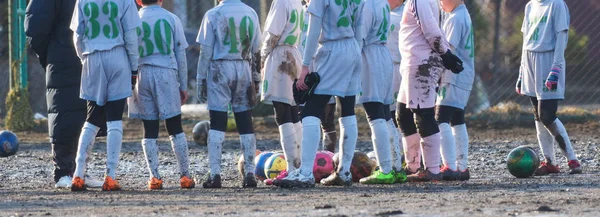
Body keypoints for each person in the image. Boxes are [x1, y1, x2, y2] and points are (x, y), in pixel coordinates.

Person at [274, 0, 363, 188]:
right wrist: (356, 51)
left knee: (311, 110)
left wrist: (305, 66)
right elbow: (360, 24)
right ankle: (344, 171)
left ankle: (305, 173)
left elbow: (314, 31)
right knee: (346, 109)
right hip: (354, 47)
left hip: (333, 49)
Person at [24, 0, 103, 189]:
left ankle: (79, 170)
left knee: (83, 112)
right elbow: (36, 26)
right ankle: (62, 171)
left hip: (87, 54)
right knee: (64, 111)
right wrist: (50, 54)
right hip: (64, 55)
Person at [69, 0, 141, 191]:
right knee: (114, 119)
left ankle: (78, 174)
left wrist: (84, 58)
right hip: (117, 56)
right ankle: (110, 176)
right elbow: (131, 36)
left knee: (91, 118)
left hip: (92, 56)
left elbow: (77, 35)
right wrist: (134, 68)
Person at [129, 0, 194, 190]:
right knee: (174, 125)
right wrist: (182, 85)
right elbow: (181, 55)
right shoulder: (171, 18)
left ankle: (154, 177)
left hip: (142, 73)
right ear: (161, 0)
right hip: (166, 72)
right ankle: (184, 176)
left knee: (149, 127)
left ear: (138, 1)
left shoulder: (134, 19)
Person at [196, 0, 262, 188]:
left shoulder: (213, 14)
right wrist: (256, 77)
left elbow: (205, 51)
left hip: (220, 68)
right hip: (243, 66)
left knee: (217, 120)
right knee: (244, 119)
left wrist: (201, 79)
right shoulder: (250, 13)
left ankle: (215, 175)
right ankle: (249, 174)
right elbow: (256, 49)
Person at [397, 0, 463, 182]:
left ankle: (432, 170)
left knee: (423, 114)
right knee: (403, 114)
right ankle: (413, 166)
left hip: (421, 63)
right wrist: (446, 54)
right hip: (412, 61)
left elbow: (431, 29)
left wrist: (445, 54)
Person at [516, 0, 582, 175]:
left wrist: (556, 67)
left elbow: (562, 37)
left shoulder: (556, 4)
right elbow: (526, 40)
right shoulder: (530, 6)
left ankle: (572, 158)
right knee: (538, 115)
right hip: (530, 62)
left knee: (547, 115)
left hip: (548, 61)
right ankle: (550, 162)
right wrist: (522, 71)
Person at [259, 0, 304, 185]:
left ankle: (292, 169)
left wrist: (262, 57)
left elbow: (273, 34)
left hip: (280, 58)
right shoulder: (297, 2)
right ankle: (300, 165)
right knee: (293, 111)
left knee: (282, 112)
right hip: (294, 54)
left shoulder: (281, 2)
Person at [354, 0, 398, 185]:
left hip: (370, 57)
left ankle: (385, 169)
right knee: (386, 114)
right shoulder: (383, 3)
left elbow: (360, 36)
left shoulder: (367, 4)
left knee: (374, 115)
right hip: (383, 54)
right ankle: (396, 167)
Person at [437, 0, 475, 181]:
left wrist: (434, 75)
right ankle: (462, 167)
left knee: (440, 118)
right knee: (457, 120)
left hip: (452, 76)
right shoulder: (463, 14)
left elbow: (447, 51)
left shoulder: (455, 18)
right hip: (465, 74)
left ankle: (450, 166)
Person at [297, 0, 338, 153]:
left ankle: (327, 157)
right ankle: (304, 157)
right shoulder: (298, 12)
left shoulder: (328, 11)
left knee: (327, 119)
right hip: (303, 68)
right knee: (302, 117)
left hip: (322, 65)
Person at [386, 0, 406, 181]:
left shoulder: (396, 15)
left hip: (396, 68)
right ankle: (400, 154)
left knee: (395, 113)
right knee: (395, 113)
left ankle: (400, 156)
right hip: (395, 67)